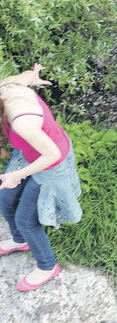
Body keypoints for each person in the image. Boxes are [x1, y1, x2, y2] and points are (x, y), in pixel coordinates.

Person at [0, 64, 83, 292]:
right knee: (5, 199)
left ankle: (47, 266)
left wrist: (17, 175)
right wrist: (33, 76)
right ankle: (20, 241)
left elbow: (52, 155)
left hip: (51, 163)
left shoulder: (22, 121)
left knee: (26, 220)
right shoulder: (5, 86)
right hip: (29, 153)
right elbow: (24, 76)